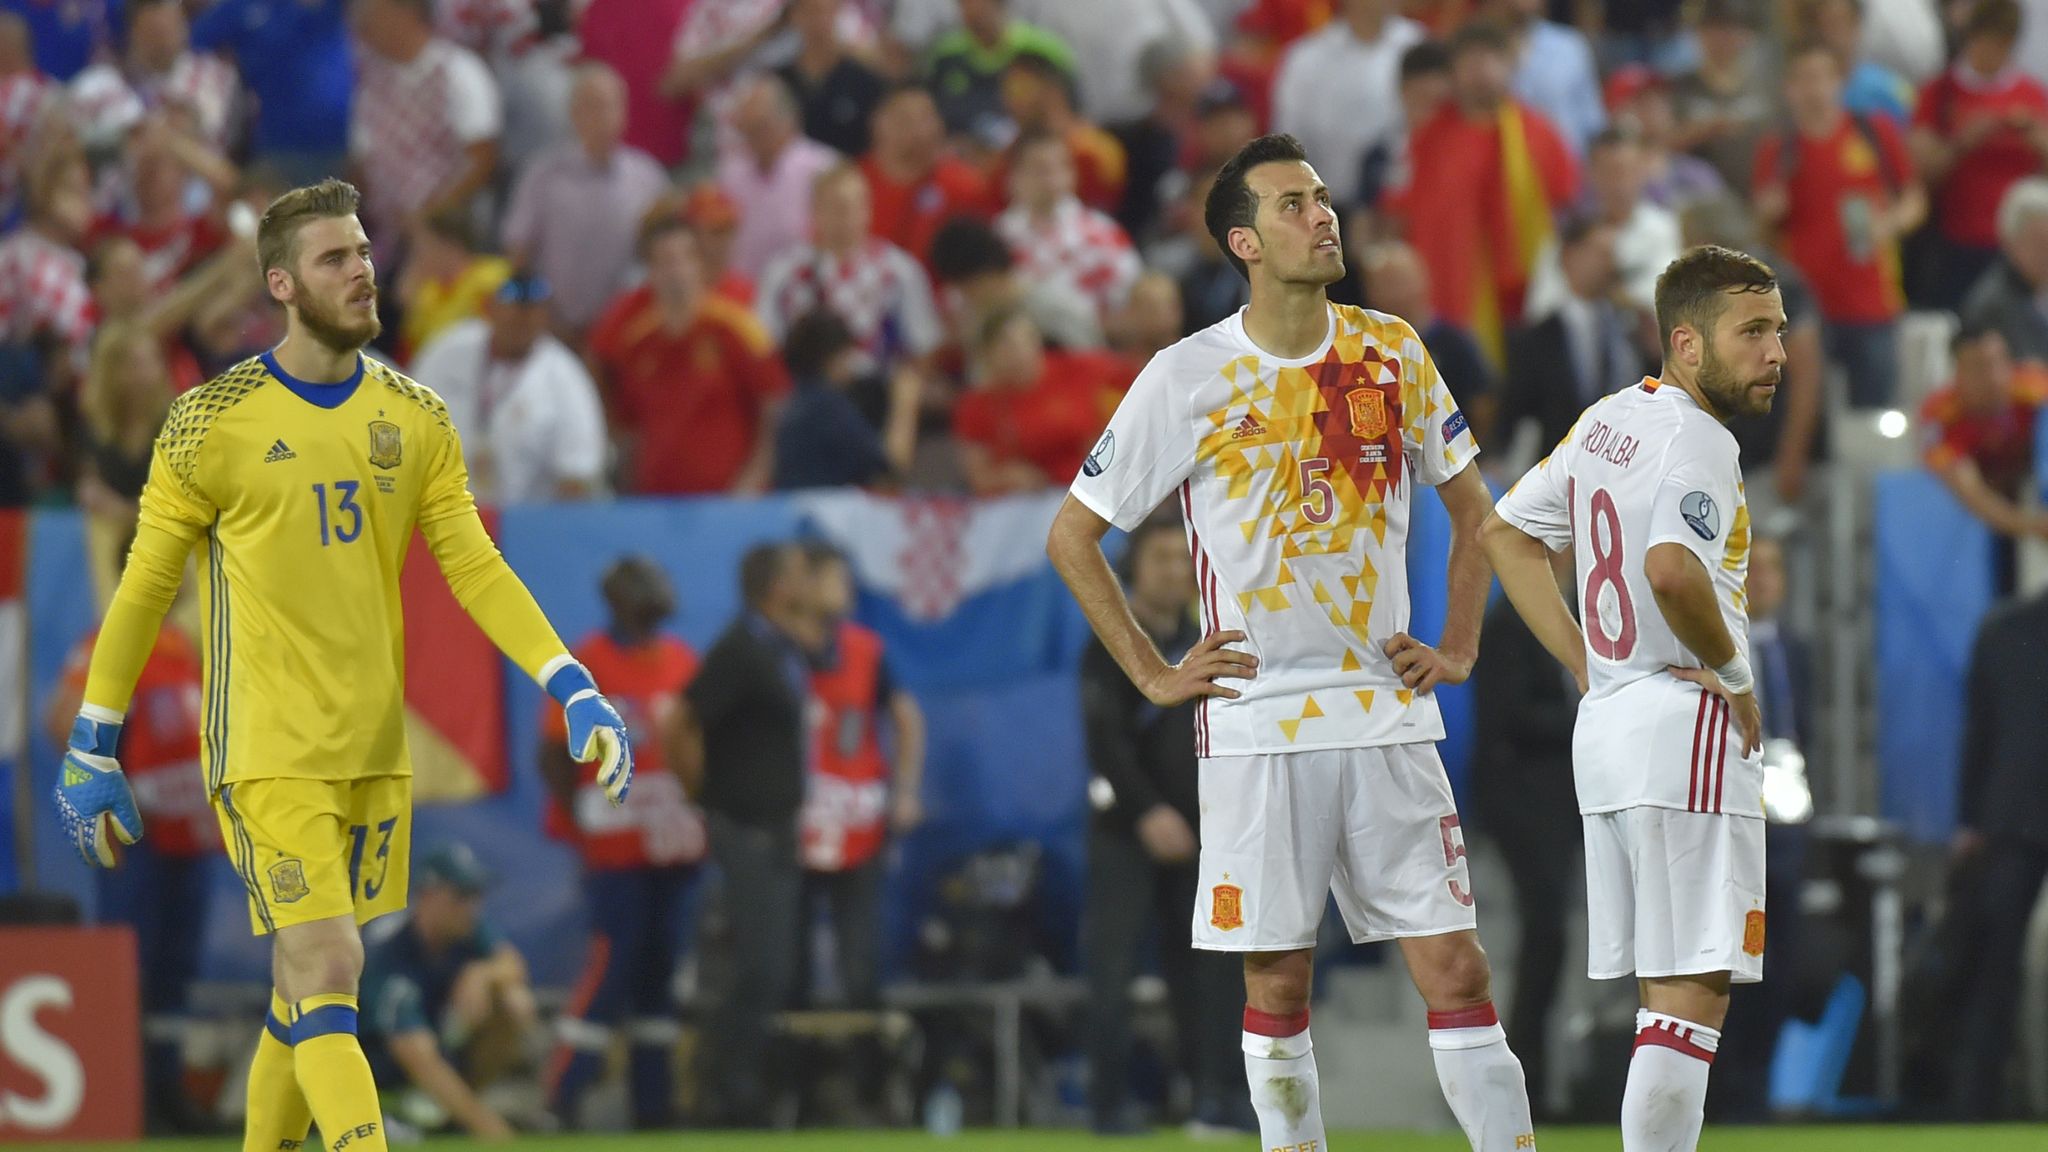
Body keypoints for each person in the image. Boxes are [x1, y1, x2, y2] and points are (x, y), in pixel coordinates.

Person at [48, 178, 634, 1152]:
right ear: (280, 284)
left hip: (372, 750)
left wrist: (569, 682)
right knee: (327, 965)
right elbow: (144, 590)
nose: (361, 271)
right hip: (267, 750)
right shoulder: (209, 420)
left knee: (303, 990)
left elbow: (475, 569)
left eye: (363, 252)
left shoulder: (415, 417)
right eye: (333, 258)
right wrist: (92, 741)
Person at [1046, 133, 1534, 1152]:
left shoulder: (1390, 348)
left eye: (1322, 197)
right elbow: (1073, 534)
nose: (1322, 216)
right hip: (1258, 722)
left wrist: (1454, 646)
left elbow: (1475, 510)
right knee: (1277, 976)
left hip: (1385, 712)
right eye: (1292, 205)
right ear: (1244, 242)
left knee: (1456, 966)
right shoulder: (1186, 377)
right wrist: (1148, 668)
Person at [1484, 244, 1787, 1152]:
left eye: (1779, 330)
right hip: (1679, 723)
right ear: (1687, 344)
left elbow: (1505, 534)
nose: (1777, 353)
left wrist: (1584, 661)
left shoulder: (1605, 422)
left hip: (1610, 727)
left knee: (1665, 1000)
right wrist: (1734, 676)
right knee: (1694, 995)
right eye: (1754, 332)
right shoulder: (1702, 440)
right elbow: (1670, 571)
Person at [1079, 516, 1247, 1135]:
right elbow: (1107, 745)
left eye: (1185, 559)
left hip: (1206, 832)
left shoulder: (1209, 640)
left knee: (1212, 970)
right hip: (1127, 831)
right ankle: (1108, 1106)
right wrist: (1148, 810)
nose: (1176, 570)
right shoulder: (1111, 644)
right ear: (1132, 569)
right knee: (1113, 969)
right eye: (1161, 559)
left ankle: (1215, 1097)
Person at [542, 557, 706, 1131]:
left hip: (674, 845)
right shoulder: (587, 662)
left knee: (662, 973)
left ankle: (654, 1104)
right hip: (614, 849)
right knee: (612, 967)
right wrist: (578, 824)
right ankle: (563, 1093)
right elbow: (552, 752)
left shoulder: (683, 660)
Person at [675, 542, 826, 1126]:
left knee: (775, 970)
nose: (810, 582)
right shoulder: (739, 650)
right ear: (776, 587)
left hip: (778, 829)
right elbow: (680, 721)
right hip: (748, 828)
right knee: (759, 967)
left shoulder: (778, 646)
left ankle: (742, 1088)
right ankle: (721, 1092)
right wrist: (705, 798)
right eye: (799, 573)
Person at [48, 611, 214, 1133]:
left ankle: (168, 1089)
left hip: (187, 829)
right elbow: (62, 721)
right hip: (133, 830)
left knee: (176, 968)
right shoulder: (108, 640)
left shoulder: (184, 649)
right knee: (131, 962)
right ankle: (129, 1091)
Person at [1385, 19, 1579, 368]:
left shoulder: (1541, 134)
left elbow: (1566, 208)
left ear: (1511, 65)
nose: (1482, 70)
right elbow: (1398, 213)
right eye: (1470, 60)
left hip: (1526, 294)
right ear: (1453, 71)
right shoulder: (1426, 138)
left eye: (1492, 58)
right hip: (1446, 291)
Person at [1754, 39, 1923, 410]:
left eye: (1821, 77)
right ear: (1789, 88)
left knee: (1876, 415)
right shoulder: (1778, 149)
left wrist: (1888, 224)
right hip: (1804, 311)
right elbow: (1762, 232)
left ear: (1838, 83)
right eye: (1803, 79)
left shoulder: (1873, 132)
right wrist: (1768, 212)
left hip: (1871, 302)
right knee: (1808, 412)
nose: (1813, 89)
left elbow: (1913, 200)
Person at [796, 542, 925, 1010]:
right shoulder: (776, 647)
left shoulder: (865, 650)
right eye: (834, 578)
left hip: (857, 821)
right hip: (793, 824)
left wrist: (907, 790)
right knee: (789, 960)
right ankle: (795, 1069)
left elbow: (907, 716)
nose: (846, 590)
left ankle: (864, 1068)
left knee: (862, 956)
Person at [588, 208, 789, 495]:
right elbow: (629, 426)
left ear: (700, 265)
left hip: (727, 501)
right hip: (655, 500)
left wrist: (753, 479)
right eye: (666, 261)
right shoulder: (636, 342)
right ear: (651, 272)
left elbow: (774, 405)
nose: (676, 271)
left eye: (684, 259)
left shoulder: (737, 329)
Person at [1469, 591, 1578, 1121]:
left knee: (1551, 939)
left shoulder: (1577, 611)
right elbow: (1510, 715)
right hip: (1525, 804)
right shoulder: (1510, 623)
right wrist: (1591, 711)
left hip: (1565, 802)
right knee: (1545, 932)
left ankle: (1536, 1077)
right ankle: (1521, 1080)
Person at [1949, 583, 2048, 1119]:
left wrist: (1971, 818)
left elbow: (1978, 730)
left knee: (1996, 966)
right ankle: (1977, 1097)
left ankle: (1977, 1102)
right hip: (2013, 821)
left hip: (2011, 817)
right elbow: (1980, 727)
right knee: (1994, 965)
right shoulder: (2002, 628)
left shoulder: (2004, 627)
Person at [359, 843, 539, 1139]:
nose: (471, 907)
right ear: (428, 897)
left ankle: (449, 1113)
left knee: (514, 1000)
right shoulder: (391, 950)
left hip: (437, 1041)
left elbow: (512, 964)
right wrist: (494, 1132)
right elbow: (413, 1052)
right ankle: (428, 1115)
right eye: (461, 896)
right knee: (417, 1049)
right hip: (379, 1065)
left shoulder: (467, 931)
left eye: (475, 896)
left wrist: (480, 974)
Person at [500, 61, 672, 340]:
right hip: (555, 327)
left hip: (628, 331)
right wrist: (538, 316)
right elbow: (518, 253)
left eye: (610, 106)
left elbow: (662, 252)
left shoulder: (648, 179)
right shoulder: (543, 176)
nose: (602, 116)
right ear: (573, 113)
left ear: (624, 112)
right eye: (591, 106)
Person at [407, 273, 608, 505]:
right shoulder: (446, 353)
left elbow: (577, 475)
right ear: (491, 309)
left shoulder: (566, 379)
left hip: (526, 524)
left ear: (545, 319)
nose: (520, 321)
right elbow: (405, 426)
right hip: (443, 515)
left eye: (530, 315)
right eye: (512, 313)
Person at [1908, 0, 2048, 308]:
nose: (1993, 55)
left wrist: (2039, 141)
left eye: (2002, 45)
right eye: (1987, 43)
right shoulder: (1940, 93)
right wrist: (1963, 141)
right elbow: (1918, 169)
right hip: (1955, 244)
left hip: (2016, 250)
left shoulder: (2033, 95)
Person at [347, 0, 501, 258]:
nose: (364, 30)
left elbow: (483, 157)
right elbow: (362, 161)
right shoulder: (371, 82)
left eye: (373, 18)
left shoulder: (459, 71)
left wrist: (432, 214)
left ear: (407, 15)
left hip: (455, 235)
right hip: (390, 237)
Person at [755, 163, 945, 370]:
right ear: (815, 210)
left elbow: (924, 346)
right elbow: (764, 344)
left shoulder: (899, 270)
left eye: (857, 205)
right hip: (806, 391)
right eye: (838, 206)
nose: (848, 215)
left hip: (875, 392)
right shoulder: (783, 271)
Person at [1918, 325, 2048, 592]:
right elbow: (1970, 494)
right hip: (1978, 518)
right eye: (1979, 367)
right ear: (1957, 374)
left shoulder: (2035, 389)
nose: (1993, 377)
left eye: (1999, 362)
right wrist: (2034, 526)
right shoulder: (1940, 416)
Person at [1499, 216, 1643, 455]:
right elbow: (1514, 419)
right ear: (1569, 258)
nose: (1610, 264)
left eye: (1612, 254)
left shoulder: (1631, 330)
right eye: (1600, 253)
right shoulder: (1534, 340)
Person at [1268, 0, 1426, 211]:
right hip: (1330, 206)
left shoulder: (1419, 44)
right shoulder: (1307, 59)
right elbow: (1287, 143)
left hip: (1407, 203)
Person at [954, 306, 1119, 494]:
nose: (1015, 355)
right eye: (1004, 348)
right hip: (1024, 499)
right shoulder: (977, 406)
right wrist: (1006, 478)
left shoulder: (1082, 368)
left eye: (1020, 343)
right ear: (987, 358)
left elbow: (1133, 382)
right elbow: (980, 478)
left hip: (1094, 485)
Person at [994, 131, 1144, 320]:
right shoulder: (998, 237)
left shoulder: (1103, 234)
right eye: (1040, 169)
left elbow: (1131, 297)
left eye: (1060, 167)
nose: (1051, 178)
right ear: (1014, 175)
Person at [772, 309, 920, 490]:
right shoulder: (825, 406)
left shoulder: (791, 401)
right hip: (822, 511)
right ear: (833, 359)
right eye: (848, 356)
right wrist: (906, 402)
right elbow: (892, 471)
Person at [717, 73, 841, 280]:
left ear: (789, 120)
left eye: (761, 127)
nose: (753, 137)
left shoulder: (824, 167)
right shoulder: (731, 174)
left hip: (808, 284)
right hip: (748, 290)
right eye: (746, 129)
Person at [861, 83, 996, 267]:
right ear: (878, 123)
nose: (920, 130)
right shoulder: (854, 184)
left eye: (926, 118)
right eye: (905, 119)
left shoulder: (963, 184)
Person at [776, 0, 887, 156]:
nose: (819, 20)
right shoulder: (778, 81)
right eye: (811, 11)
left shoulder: (864, 80)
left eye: (826, 11)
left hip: (851, 173)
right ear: (794, 16)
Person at [1961, 175, 2048, 362]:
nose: (2046, 254)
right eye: (2039, 243)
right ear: (2010, 241)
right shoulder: (1991, 306)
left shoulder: (2040, 288)